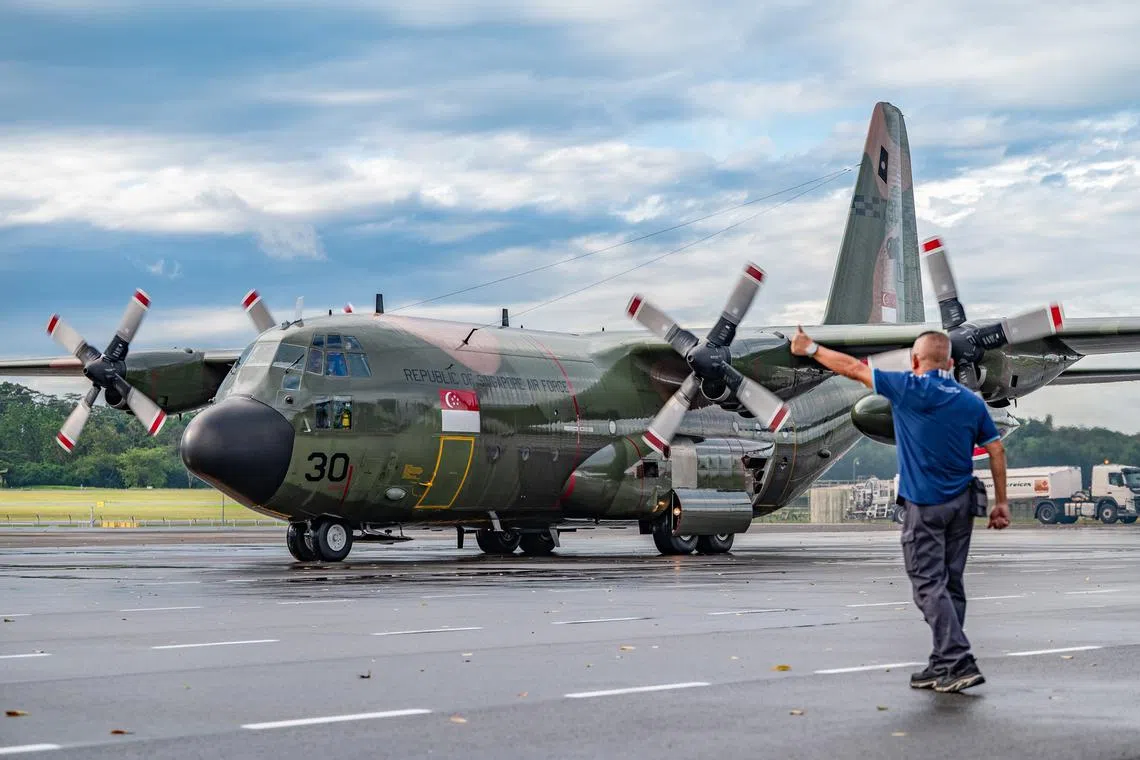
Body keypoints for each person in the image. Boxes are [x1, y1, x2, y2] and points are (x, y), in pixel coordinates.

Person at [790, 326, 1010, 693]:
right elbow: (996, 449)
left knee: (927, 585)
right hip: (961, 504)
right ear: (952, 363)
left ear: (914, 360)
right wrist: (1001, 503)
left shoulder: (908, 388)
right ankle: (942, 663)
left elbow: (851, 368)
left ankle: (958, 660)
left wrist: (810, 347)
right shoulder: (971, 402)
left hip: (924, 505)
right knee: (950, 585)